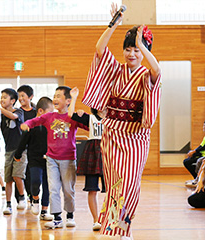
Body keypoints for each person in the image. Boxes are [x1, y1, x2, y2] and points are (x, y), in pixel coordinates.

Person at [81, 4, 162, 239]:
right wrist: (114, 24)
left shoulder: (147, 75)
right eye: (128, 49)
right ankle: (118, 231)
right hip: (112, 135)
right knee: (115, 184)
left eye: (136, 50)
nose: (132, 54)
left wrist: (142, 44)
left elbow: (156, 68)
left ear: (145, 52)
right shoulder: (116, 70)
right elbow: (99, 49)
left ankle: (123, 228)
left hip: (135, 138)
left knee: (129, 185)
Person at [21, 86, 88, 229]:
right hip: (51, 158)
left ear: (68, 101)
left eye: (59, 96)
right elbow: (34, 121)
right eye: (54, 96)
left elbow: (89, 125)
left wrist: (82, 113)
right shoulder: (49, 116)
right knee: (53, 188)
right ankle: (57, 218)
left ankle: (70, 215)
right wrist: (26, 124)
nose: (55, 99)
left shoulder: (73, 117)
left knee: (68, 189)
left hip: (69, 159)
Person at [68, 87, 105, 231]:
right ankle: (96, 220)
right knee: (92, 189)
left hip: (108, 153)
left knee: (112, 190)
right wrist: (74, 97)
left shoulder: (113, 119)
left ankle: (108, 217)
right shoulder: (90, 117)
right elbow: (71, 114)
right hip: (93, 152)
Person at [14, 96, 54, 221]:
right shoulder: (31, 124)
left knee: (48, 185)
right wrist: (17, 154)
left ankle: (44, 210)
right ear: (41, 111)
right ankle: (35, 198)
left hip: (49, 159)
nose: (52, 115)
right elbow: (23, 141)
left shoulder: (52, 125)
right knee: (35, 181)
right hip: (34, 159)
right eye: (50, 112)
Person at [0, 88, 27, 215]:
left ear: (12, 101)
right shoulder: (0, 116)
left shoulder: (19, 111)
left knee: (17, 175)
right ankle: (8, 204)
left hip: (20, 150)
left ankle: (22, 197)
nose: (2, 100)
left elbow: (13, 116)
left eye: (5, 97)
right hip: (8, 150)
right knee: (8, 179)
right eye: (1, 97)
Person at [183, 121, 205, 188]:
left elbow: (203, 147)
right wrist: (193, 152)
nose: (203, 127)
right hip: (201, 154)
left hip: (203, 156)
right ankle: (197, 178)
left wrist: (194, 151)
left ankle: (199, 179)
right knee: (187, 161)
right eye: (203, 126)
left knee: (198, 162)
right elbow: (201, 146)